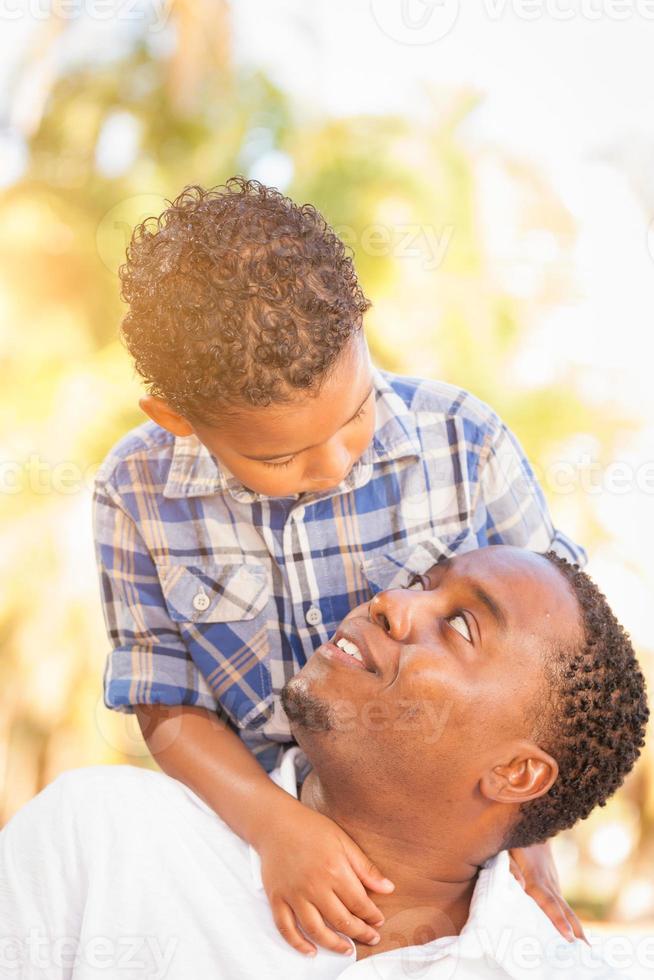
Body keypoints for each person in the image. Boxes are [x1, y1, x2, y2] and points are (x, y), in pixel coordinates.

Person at [93, 177, 588, 954]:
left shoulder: (468, 444)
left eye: (354, 415)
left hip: (433, 845)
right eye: (280, 455)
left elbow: (554, 665)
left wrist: (528, 844)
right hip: (249, 832)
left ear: (362, 323)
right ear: (177, 420)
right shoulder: (137, 493)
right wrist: (276, 828)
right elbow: (168, 705)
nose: (332, 465)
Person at [1, 547, 647, 979]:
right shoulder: (99, 842)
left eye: (461, 628)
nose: (392, 601)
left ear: (515, 774)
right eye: (423, 583)